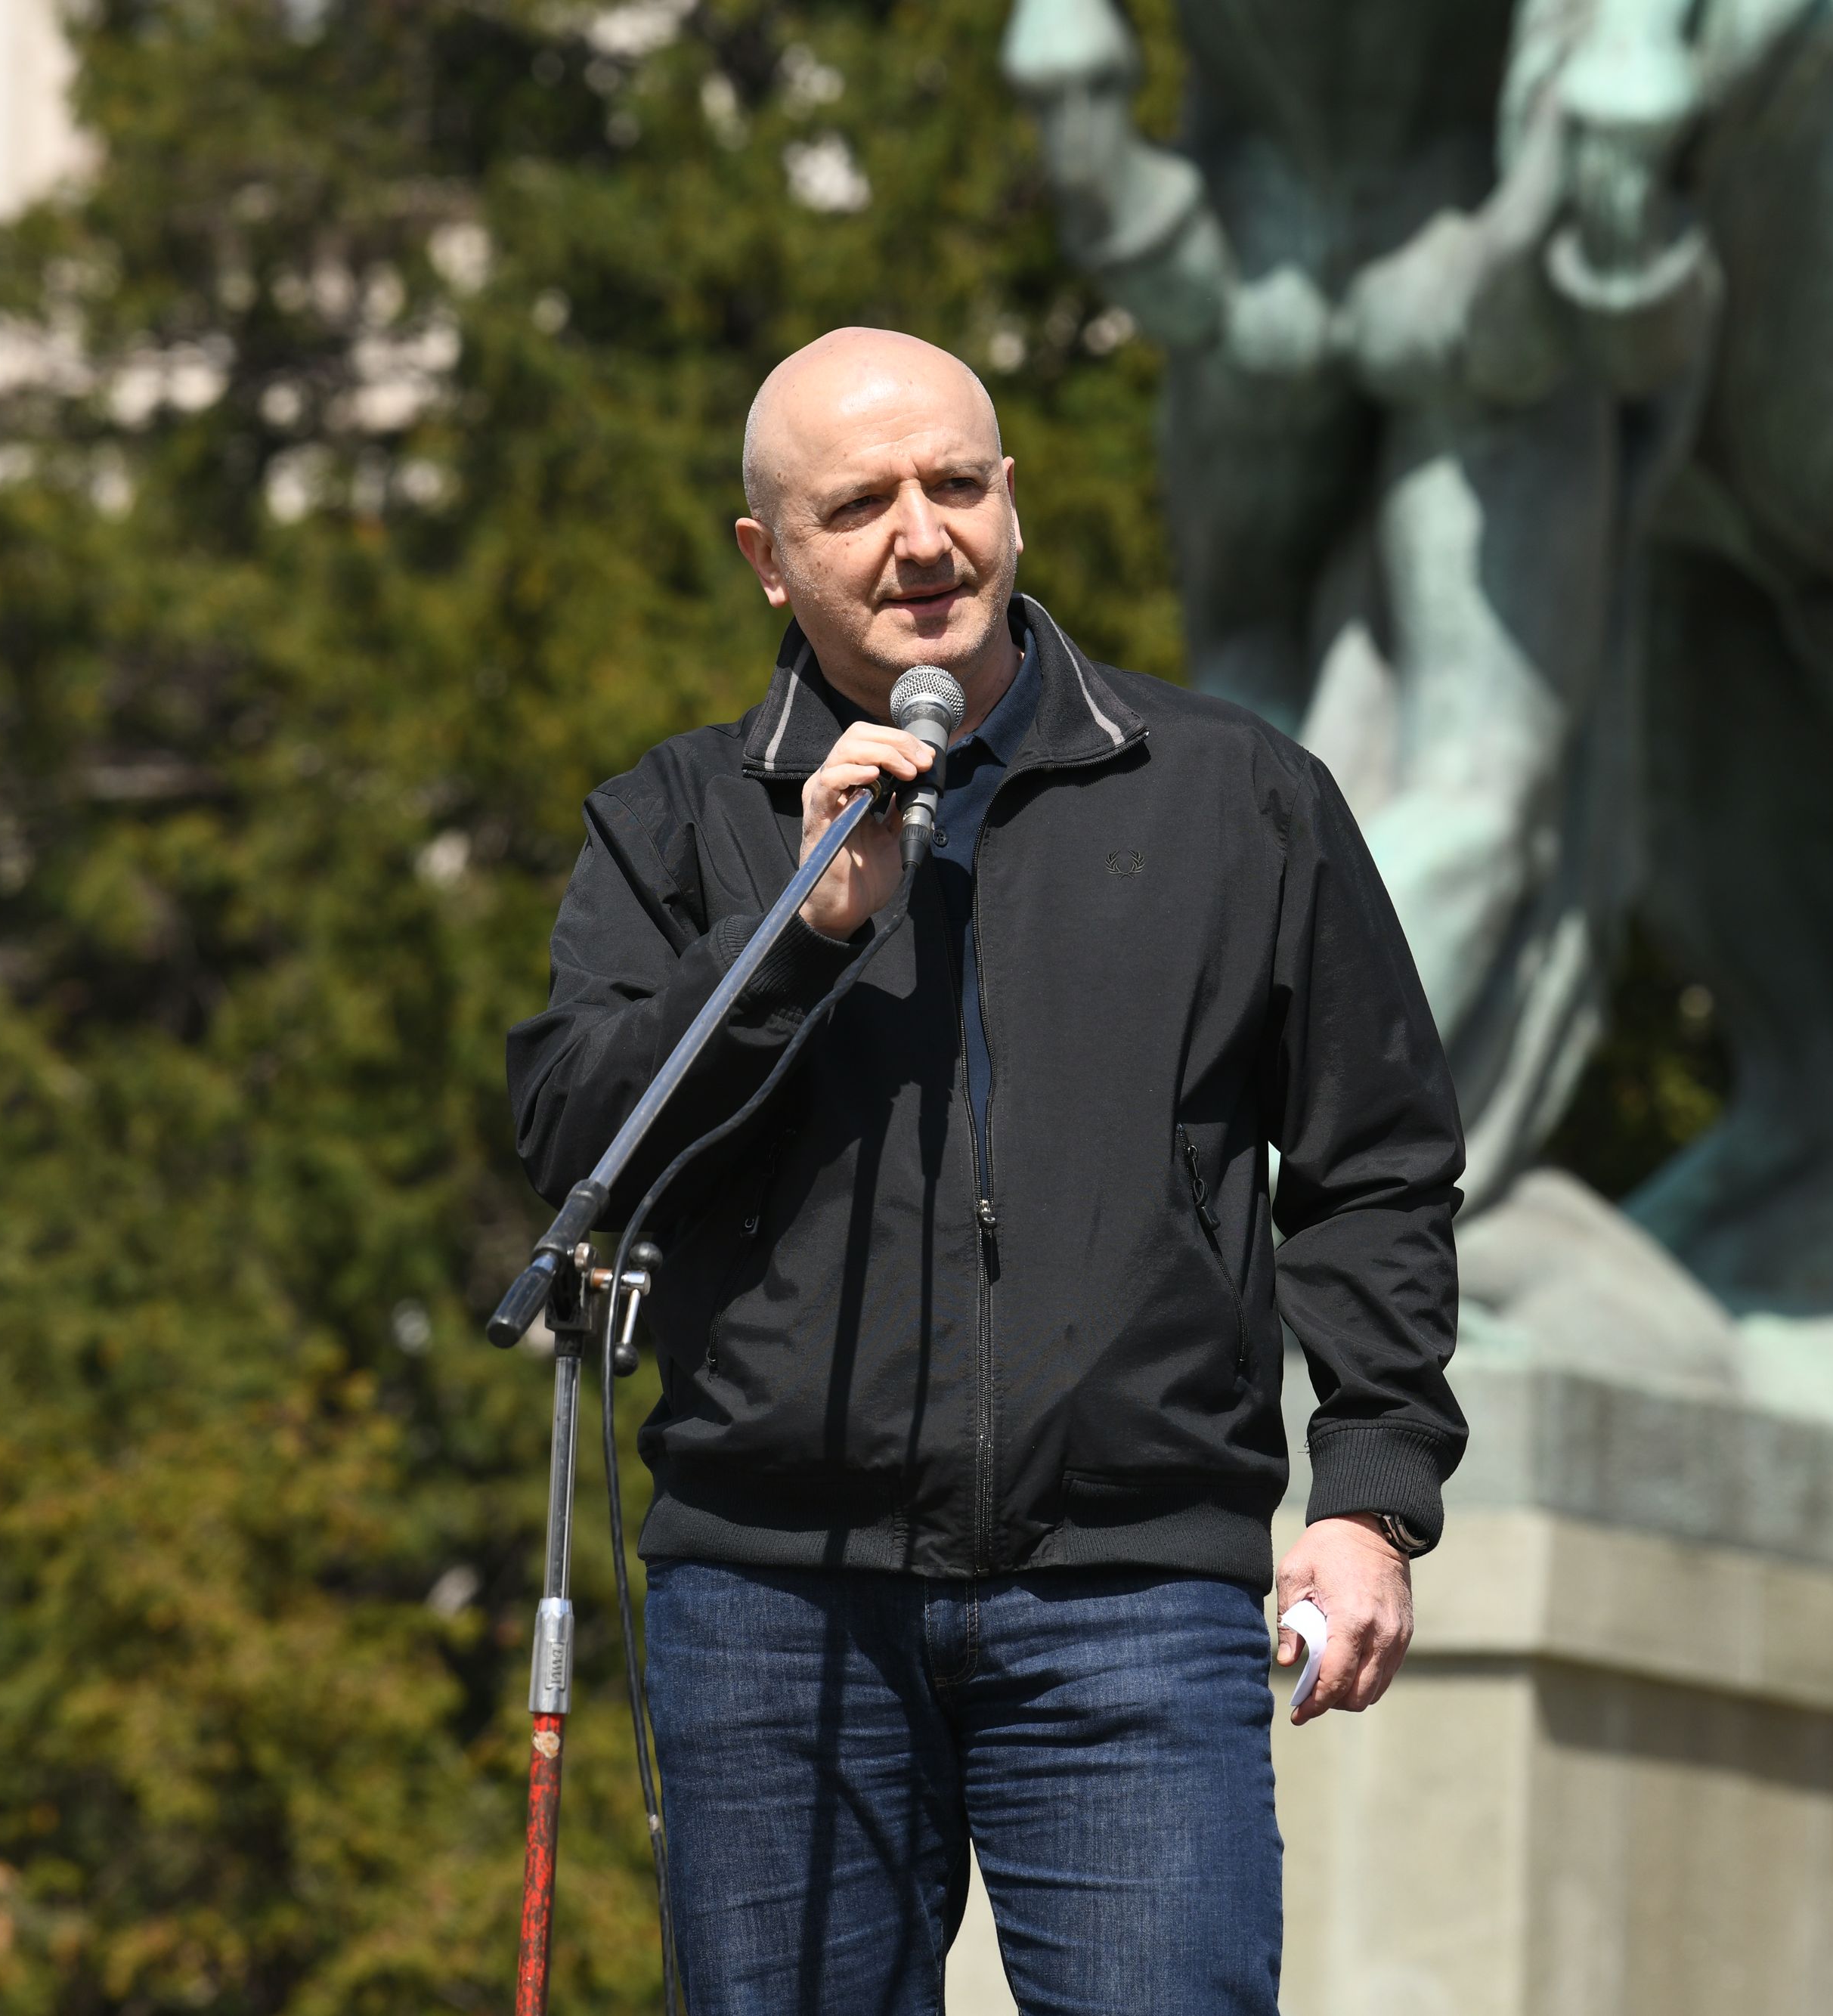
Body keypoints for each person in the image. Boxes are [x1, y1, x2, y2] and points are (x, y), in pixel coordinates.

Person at [505, 327, 1466, 2014]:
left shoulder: (1236, 796)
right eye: (858, 502)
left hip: (1130, 1599)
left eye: (955, 482)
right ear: (766, 560)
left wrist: (1370, 1488)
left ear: (1013, 502)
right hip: (775, 1609)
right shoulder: (677, 824)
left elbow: (1373, 1160)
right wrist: (798, 930)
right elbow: (582, 1138)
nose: (920, 534)